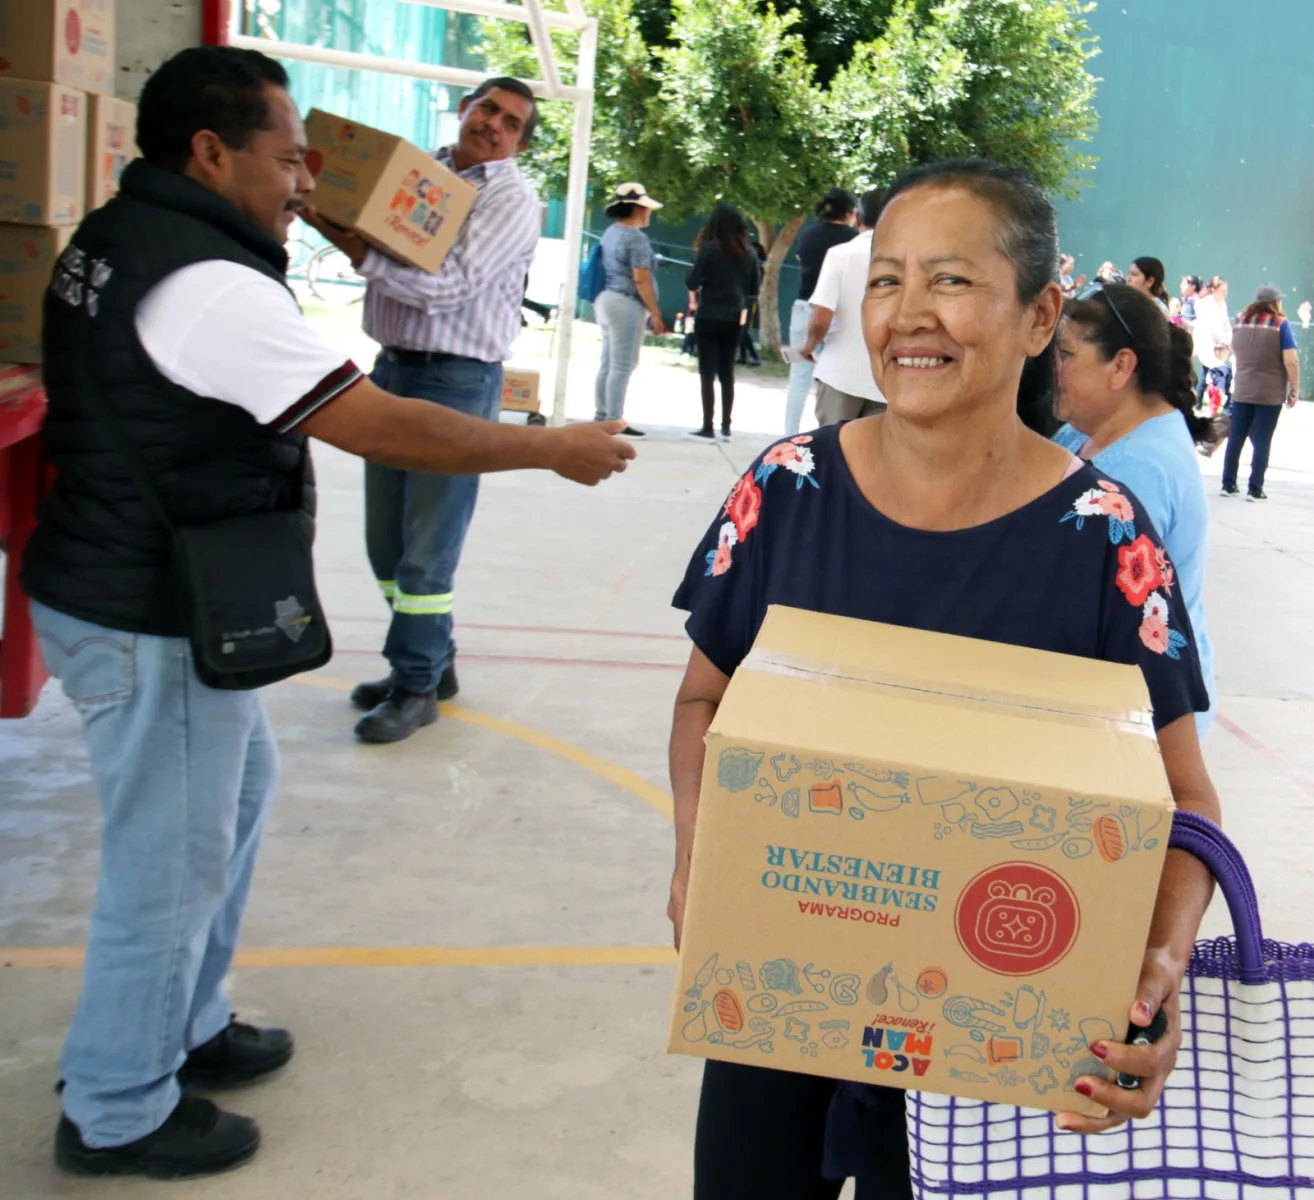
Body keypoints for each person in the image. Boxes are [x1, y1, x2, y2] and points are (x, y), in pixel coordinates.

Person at [20, 46, 633, 1181]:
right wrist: (551, 447)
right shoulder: (207, 282)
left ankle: (186, 1026)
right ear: (210, 153)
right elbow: (378, 423)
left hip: (143, 586)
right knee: (170, 864)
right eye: (286, 157)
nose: (305, 178)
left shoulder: (123, 235)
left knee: (236, 799)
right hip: (154, 605)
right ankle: (117, 1105)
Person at [667, 158, 1219, 1198]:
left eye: (953, 282)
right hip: (778, 993)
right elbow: (704, 699)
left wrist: (1153, 966)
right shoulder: (786, 491)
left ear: (1040, 314)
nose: (909, 316)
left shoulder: (1103, 540)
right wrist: (702, 853)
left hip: (989, 1055)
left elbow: (1185, 801)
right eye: (886, 279)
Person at [304, 76, 553, 744]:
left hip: (457, 382)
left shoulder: (510, 200)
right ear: (467, 110)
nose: (494, 124)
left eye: (510, 122)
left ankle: (415, 685)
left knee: (426, 553)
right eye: (487, 109)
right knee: (384, 541)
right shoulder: (423, 174)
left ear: (519, 143)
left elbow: (452, 287)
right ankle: (431, 664)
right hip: (391, 369)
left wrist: (358, 248)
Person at [1054, 283, 1218, 735]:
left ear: (1121, 366)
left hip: (1140, 717)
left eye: (1066, 355)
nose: (1054, 368)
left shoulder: (1133, 473)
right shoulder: (1091, 432)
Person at [801, 187, 888, 424]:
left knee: (832, 454)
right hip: (885, 381)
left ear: (857, 218)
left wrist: (809, 345)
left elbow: (821, 318)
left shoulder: (841, 255)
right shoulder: (907, 258)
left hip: (840, 376)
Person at [591, 182, 667, 437]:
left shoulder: (611, 232)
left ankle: (602, 414)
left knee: (608, 362)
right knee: (623, 364)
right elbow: (641, 279)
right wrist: (655, 313)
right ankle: (614, 419)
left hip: (606, 298)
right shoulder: (635, 238)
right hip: (627, 303)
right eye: (645, 208)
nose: (649, 213)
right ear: (637, 209)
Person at [783, 188, 859, 434]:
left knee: (799, 378)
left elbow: (798, 256)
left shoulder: (808, 233)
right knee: (835, 379)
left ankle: (789, 434)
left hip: (804, 307)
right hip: (838, 312)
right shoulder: (851, 237)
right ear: (849, 213)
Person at [684, 204, 761, 442]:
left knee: (707, 371)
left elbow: (692, 282)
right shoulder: (750, 253)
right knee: (727, 371)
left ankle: (707, 426)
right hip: (734, 319)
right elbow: (753, 290)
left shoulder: (708, 249)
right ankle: (726, 427)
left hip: (708, 315)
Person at [1221, 284, 1301, 500]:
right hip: (1270, 391)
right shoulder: (1280, 324)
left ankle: (1228, 484)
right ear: (1275, 302)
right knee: (1263, 438)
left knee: (1236, 437)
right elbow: (1291, 360)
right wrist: (1294, 388)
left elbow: (1233, 348)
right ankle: (1255, 488)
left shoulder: (1240, 320)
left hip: (1243, 388)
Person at [1191, 276, 1232, 407]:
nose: (1225, 293)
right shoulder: (1206, 303)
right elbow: (1210, 327)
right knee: (1221, 371)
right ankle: (1222, 400)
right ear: (1214, 290)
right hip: (1207, 344)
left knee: (1206, 373)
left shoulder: (1222, 305)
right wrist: (1223, 340)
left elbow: (1226, 323)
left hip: (1219, 345)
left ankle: (1197, 403)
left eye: (1226, 290)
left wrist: (1229, 338)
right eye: (1222, 290)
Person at [737, 239, 767, 367]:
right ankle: (743, 356)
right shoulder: (754, 267)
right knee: (741, 329)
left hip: (747, 301)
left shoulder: (756, 269)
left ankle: (755, 357)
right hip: (745, 300)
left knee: (741, 330)